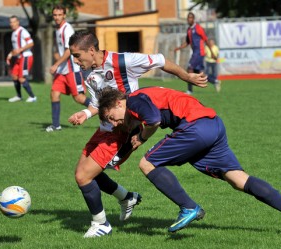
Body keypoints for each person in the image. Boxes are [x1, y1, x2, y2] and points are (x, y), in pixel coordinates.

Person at [97, 86, 281, 236]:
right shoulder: (143, 97)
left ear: (118, 103)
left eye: (111, 117)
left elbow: (153, 120)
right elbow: (152, 117)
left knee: (147, 163)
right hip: (213, 124)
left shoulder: (134, 100)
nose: (114, 122)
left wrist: (142, 137)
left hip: (195, 126)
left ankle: (188, 207)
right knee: (238, 179)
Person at [66, 30, 208, 238]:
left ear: (91, 50)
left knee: (84, 176)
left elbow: (160, 60)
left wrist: (186, 76)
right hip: (104, 127)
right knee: (83, 173)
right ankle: (127, 197)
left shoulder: (123, 61)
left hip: (121, 130)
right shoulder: (87, 70)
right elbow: (98, 102)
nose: (76, 61)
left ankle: (101, 224)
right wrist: (86, 113)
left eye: (77, 55)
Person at [45, 5, 91, 132]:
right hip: (63, 70)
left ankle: (104, 109)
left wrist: (56, 64)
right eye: (55, 15)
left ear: (64, 15)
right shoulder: (58, 29)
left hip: (71, 68)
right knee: (54, 93)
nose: (57, 17)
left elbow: (69, 51)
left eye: (59, 15)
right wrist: (57, 59)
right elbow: (59, 50)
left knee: (79, 98)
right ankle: (56, 125)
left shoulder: (67, 29)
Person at [174, 12, 211, 95]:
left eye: (190, 18)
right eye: (188, 18)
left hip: (199, 52)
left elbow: (206, 39)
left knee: (189, 68)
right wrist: (179, 48)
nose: (189, 19)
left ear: (193, 19)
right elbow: (187, 42)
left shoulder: (198, 28)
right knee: (199, 72)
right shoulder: (189, 30)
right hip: (195, 53)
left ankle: (189, 90)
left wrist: (211, 52)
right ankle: (214, 80)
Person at [7, 15, 37, 103]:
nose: (12, 24)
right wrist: (10, 54)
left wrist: (20, 50)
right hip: (19, 57)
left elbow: (31, 43)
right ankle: (19, 96)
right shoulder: (13, 33)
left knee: (21, 78)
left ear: (18, 22)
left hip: (26, 56)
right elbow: (15, 49)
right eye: (10, 22)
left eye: (13, 22)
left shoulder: (22, 31)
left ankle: (32, 97)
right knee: (14, 76)